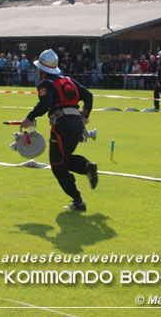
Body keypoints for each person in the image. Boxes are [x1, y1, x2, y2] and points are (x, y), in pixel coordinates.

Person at [20, 49, 97, 211]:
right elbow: (89, 96)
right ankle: (87, 167)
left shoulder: (45, 83)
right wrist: (85, 113)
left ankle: (78, 201)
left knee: (57, 165)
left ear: (42, 69)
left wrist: (30, 117)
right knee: (65, 159)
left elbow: (45, 103)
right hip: (76, 123)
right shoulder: (68, 79)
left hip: (62, 124)